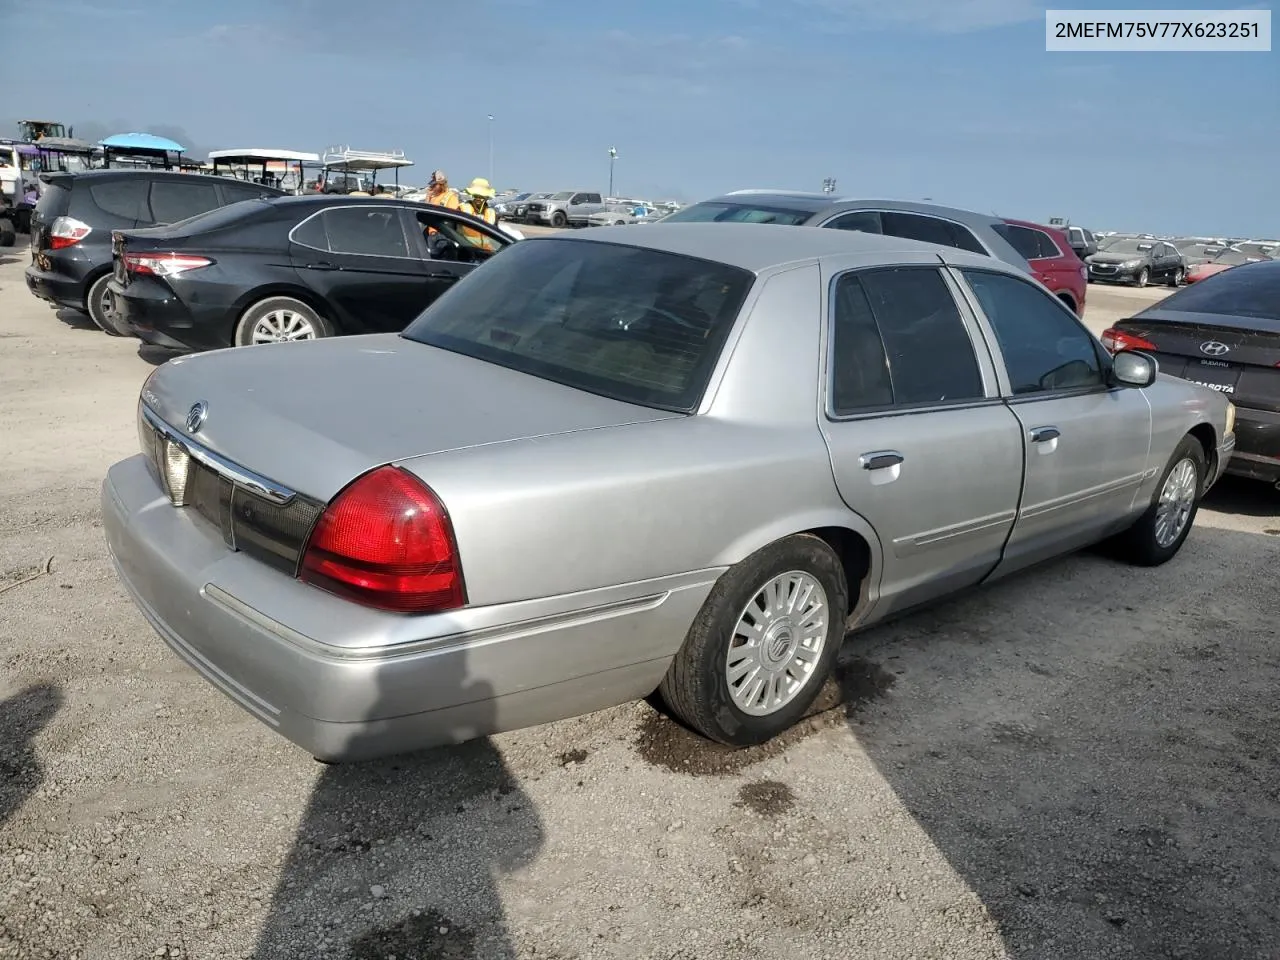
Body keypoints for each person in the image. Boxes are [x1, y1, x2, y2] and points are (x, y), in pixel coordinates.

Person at [459, 177, 500, 251]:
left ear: (486, 197)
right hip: (466, 252)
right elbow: (452, 230)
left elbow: (497, 237)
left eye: (481, 196)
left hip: (486, 253)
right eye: (475, 195)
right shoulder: (462, 209)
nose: (478, 198)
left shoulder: (492, 213)